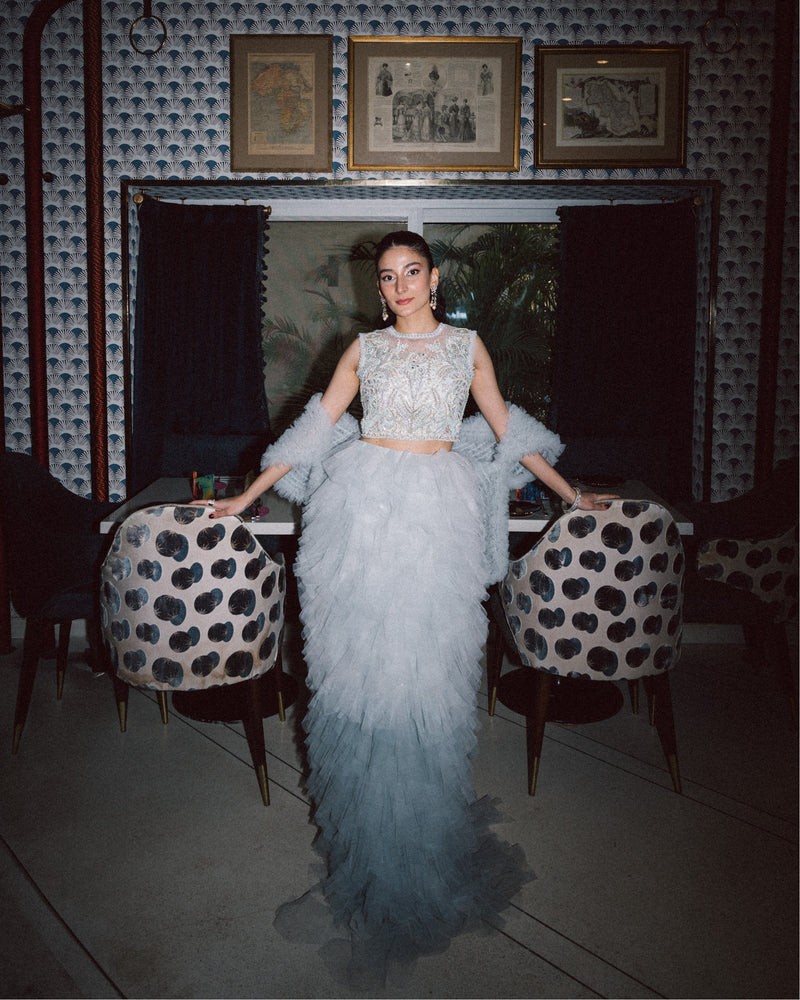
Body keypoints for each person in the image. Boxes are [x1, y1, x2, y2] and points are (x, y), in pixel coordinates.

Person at [198, 231, 615, 983]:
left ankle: (420, 841)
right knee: (361, 675)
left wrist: (571, 493)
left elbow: (509, 431)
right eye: (387, 276)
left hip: (438, 515)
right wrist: (246, 497)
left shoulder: (466, 347)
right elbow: (312, 432)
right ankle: (368, 841)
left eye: (411, 272)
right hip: (360, 513)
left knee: (427, 676)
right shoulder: (363, 350)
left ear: (434, 276)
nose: (398, 286)